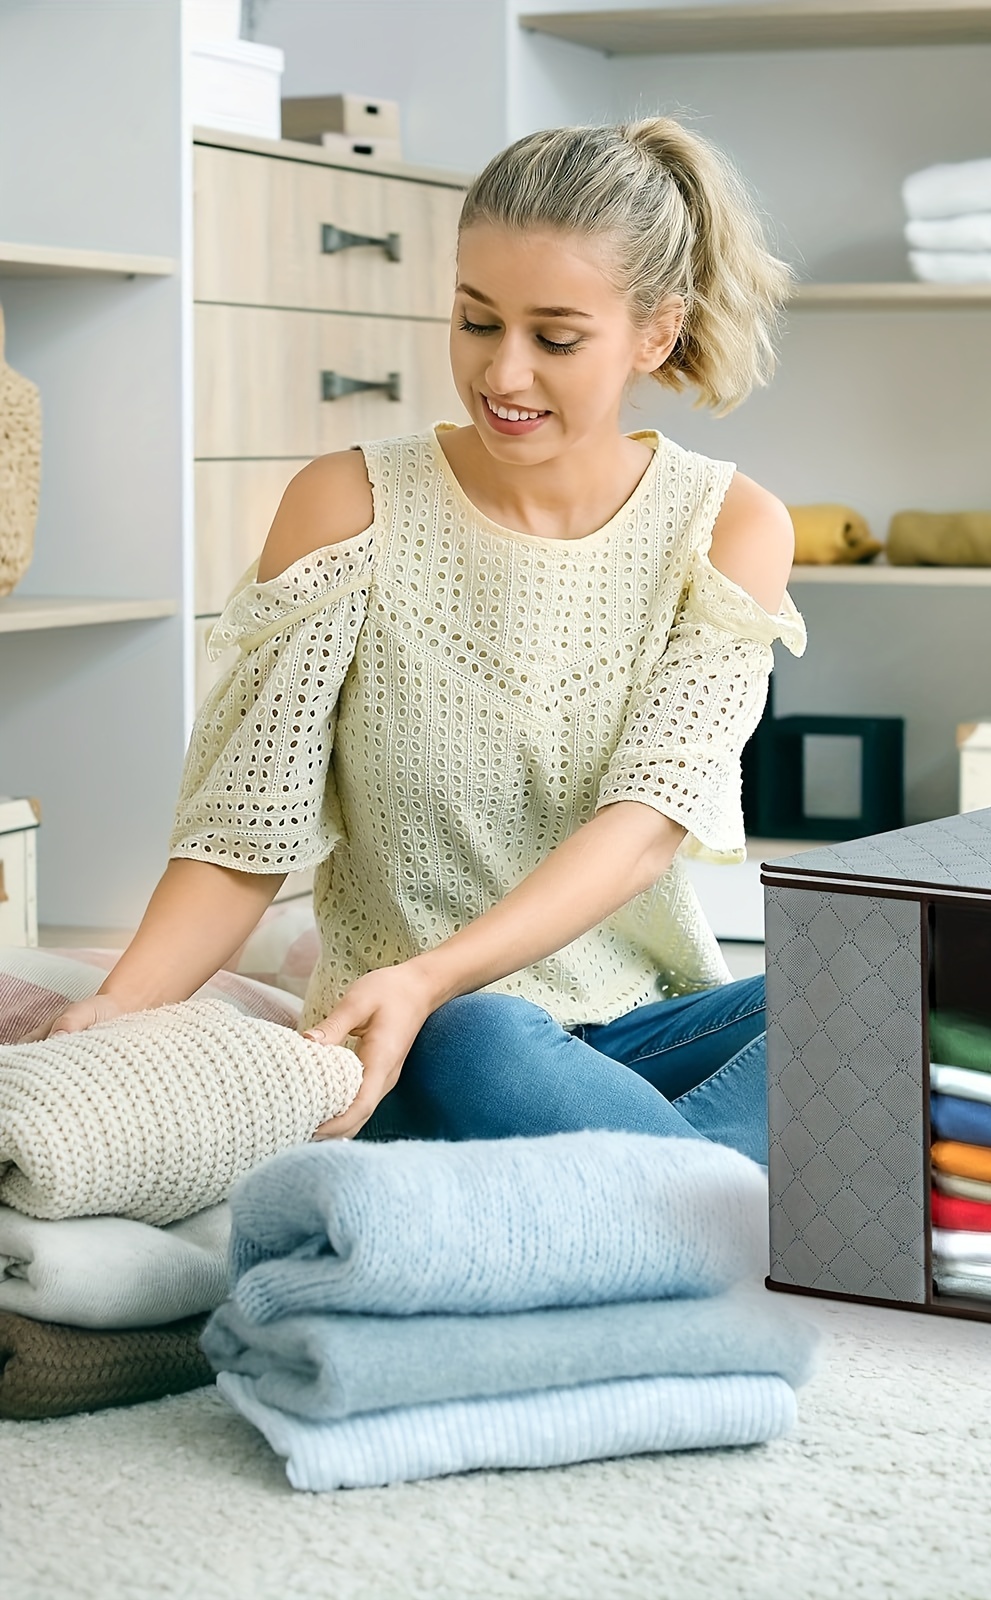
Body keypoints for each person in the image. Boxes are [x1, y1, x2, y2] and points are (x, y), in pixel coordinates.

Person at [41, 119, 804, 1166]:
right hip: (426, 1043)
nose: (504, 371)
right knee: (483, 1031)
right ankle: (737, 1194)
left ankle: (660, 1188)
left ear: (654, 333)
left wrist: (430, 976)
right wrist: (118, 1008)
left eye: (556, 336)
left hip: (640, 1034)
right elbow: (241, 836)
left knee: (902, 985)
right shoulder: (346, 506)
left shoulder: (729, 528)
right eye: (475, 320)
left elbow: (642, 832)